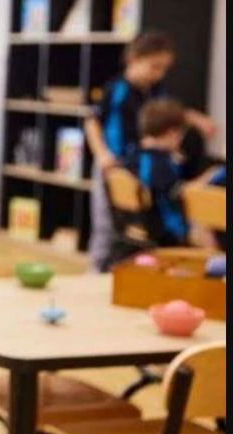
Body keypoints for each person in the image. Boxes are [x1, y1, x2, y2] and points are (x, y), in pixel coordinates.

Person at [84, 31, 216, 271]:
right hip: (113, 165)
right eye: (154, 66)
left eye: (163, 69)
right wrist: (103, 155)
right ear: (134, 59)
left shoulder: (156, 90)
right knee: (105, 230)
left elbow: (167, 114)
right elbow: (92, 122)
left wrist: (194, 121)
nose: (158, 74)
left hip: (138, 164)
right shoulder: (117, 90)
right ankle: (95, 272)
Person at [127, 98, 189, 246]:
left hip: (136, 223)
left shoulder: (134, 154)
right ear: (172, 133)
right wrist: (207, 178)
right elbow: (178, 192)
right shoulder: (160, 164)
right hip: (165, 232)